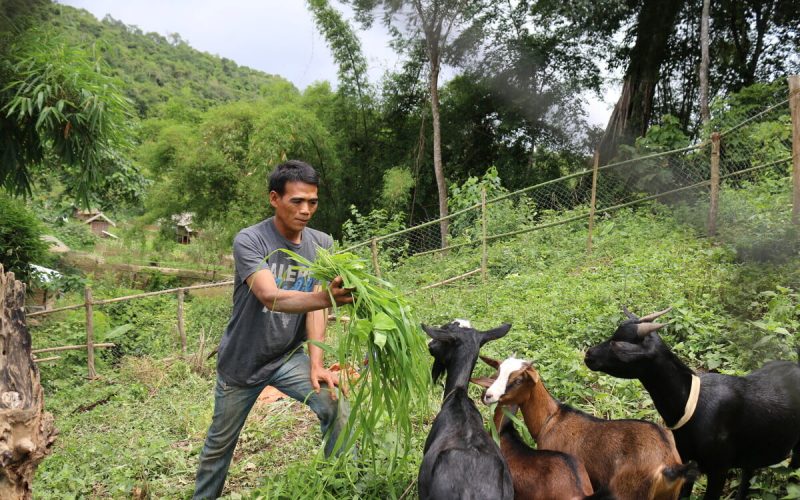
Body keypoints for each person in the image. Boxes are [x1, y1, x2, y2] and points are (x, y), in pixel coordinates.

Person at [193, 160, 354, 499]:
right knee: (218, 447)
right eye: (297, 201)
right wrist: (326, 298)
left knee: (335, 404)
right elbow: (270, 296)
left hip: (286, 356)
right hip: (243, 362)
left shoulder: (322, 244)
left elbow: (316, 307)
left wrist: (316, 363)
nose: (306, 210)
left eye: (313, 202)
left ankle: (339, 485)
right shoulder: (251, 240)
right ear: (274, 199)